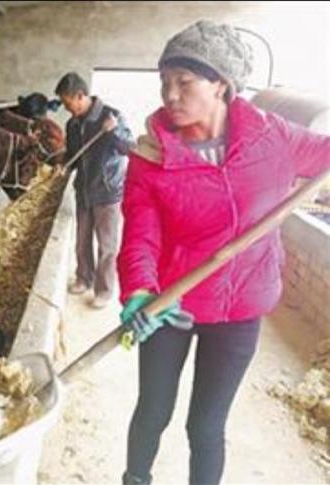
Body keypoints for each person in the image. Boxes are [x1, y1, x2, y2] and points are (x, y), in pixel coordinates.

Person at [116, 20, 330, 485]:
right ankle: (135, 478)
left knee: (207, 426)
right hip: (172, 304)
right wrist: (138, 290)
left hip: (240, 310)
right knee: (153, 411)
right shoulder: (151, 155)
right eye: (165, 82)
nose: (170, 94)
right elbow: (141, 236)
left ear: (222, 86)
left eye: (184, 82)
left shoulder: (272, 137)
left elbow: (326, 153)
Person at [55, 72, 135, 308]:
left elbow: (128, 148)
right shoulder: (73, 124)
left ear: (80, 96)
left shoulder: (111, 116)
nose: (67, 109)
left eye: (68, 103)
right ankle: (83, 278)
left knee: (107, 246)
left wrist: (113, 131)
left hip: (107, 191)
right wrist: (62, 166)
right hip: (84, 191)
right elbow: (72, 156)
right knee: (81, 241)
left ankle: (104, 290)